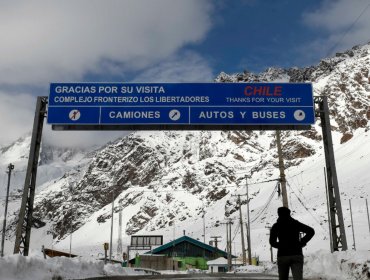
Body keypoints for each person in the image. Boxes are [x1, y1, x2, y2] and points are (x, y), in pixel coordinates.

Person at [269, 207, 315, 280]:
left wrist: (281, 246)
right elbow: (311, 231)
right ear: (289, 213)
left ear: (278, 214)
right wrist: (301, 242)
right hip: (296, 254)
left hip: (282, 255)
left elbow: (272, 242)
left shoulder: (276, 226)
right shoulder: (295, 223)